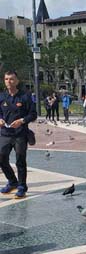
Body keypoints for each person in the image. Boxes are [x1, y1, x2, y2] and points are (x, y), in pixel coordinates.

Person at [0, 70, 37, 199]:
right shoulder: (2, 97)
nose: (8, 81)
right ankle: (12, 181)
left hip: (20, 134)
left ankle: (22, 186)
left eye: (11, 79)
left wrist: (22, 121)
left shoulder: (25, 97)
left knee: (20, 160)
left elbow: (33, 114)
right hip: (5, 133)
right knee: (1, 158)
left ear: (17, 81)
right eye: (6, 79)